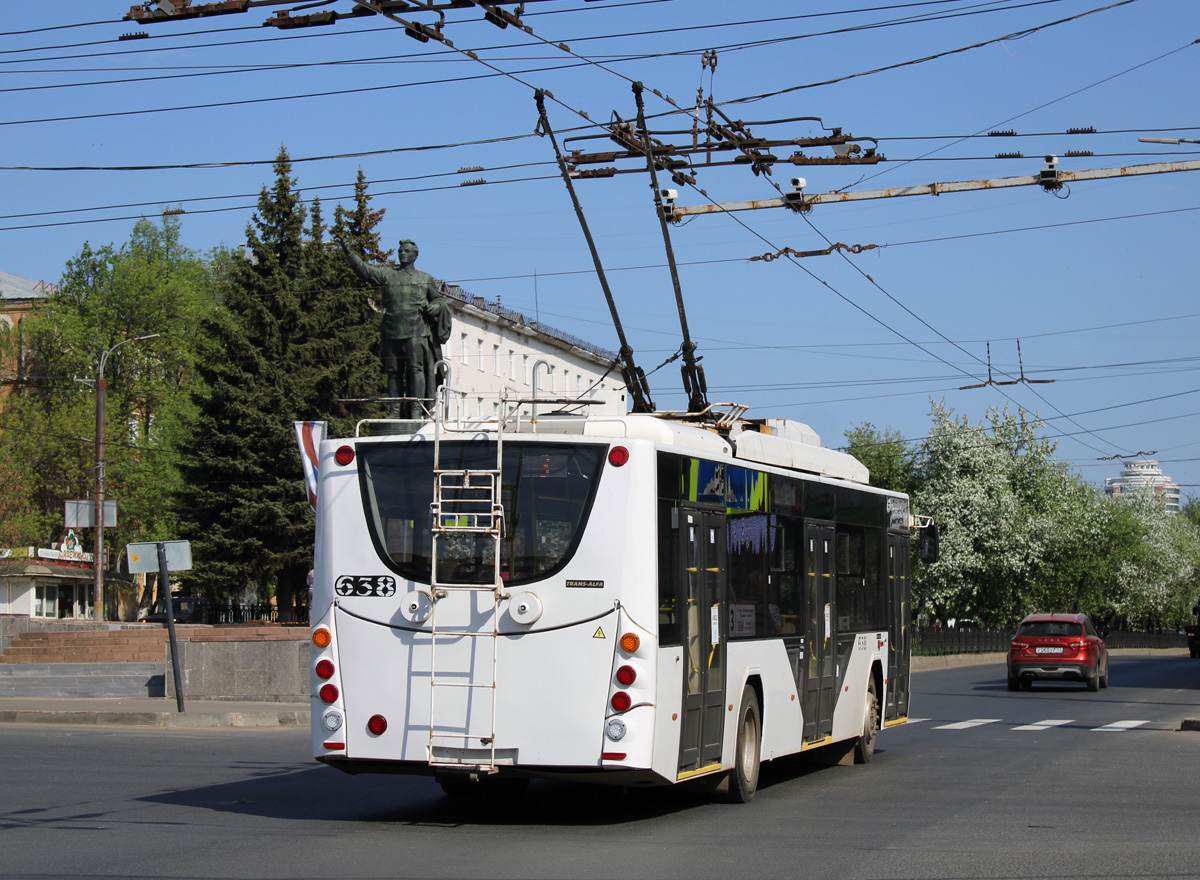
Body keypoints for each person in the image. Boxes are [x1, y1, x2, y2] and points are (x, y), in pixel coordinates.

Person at [335, 235, 453, 419]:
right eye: (400, 251)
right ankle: (395, 411)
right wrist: (348, 252)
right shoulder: (387, 275)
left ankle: (416, 410)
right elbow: (364, 270)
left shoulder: (424, 278)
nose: (402, 254)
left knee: (416, 370)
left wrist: (435, 307)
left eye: (406, 251)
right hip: (391, 331)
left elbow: (438, 300)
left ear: (415, 255)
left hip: (416, 331)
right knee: (393, 372)